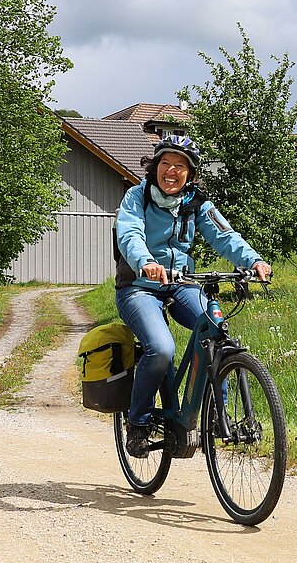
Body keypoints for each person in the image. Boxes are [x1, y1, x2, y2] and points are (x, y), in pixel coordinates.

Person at [115, 135, 272, 458]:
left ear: (190, 173)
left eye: (180, 166)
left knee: (215, 332)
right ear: (154, 166)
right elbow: (129, 234)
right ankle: (139, 422)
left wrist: (253, 260)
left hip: (182, 283)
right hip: (139, 287)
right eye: (165, 163)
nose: (171, 171)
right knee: (160, 348)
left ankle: (216, 416)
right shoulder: (137, 197)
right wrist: (146, 263)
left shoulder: (198, 203)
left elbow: (226, 236)